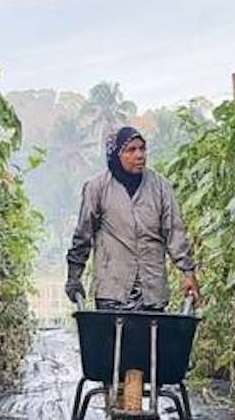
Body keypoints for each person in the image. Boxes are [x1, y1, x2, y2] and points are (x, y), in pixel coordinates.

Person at [65, 126, 200, 310]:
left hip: (152, 291)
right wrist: (74, 277)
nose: (139, 155)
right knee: (113, 329)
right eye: (131, 150)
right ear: (117, 155)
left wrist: (188, 272)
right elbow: (83, 235)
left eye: (142, 149)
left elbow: (175, 233)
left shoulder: (160, 188)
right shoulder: (97, 189)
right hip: (113, 291)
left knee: (154, 329)